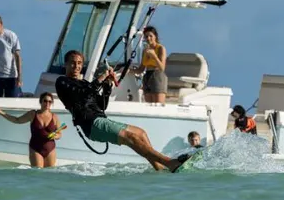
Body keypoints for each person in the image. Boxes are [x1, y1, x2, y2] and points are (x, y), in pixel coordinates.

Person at [54, 49, 188, 172]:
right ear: (66, 64)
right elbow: (83, 92)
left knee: (141, 133)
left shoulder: (84, 83)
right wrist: (101, 78)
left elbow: (102, 105)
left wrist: (107, 85)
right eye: (72, 63)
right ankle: (170, 163)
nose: (76, 66)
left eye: (79, 63)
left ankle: (159, 169)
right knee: (131, 137)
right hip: (91, 124)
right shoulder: (62, 82)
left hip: (99, 119)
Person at [0, 92, 62, 168]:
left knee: (50, 174)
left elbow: (59, 134)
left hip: (50, 149)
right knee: (37, 172)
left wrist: (55, 136)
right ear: (40, 101)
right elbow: (17, 120)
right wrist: (1, 112)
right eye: (45, 101)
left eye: (50, 101)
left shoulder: (54, 117)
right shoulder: (33, 114)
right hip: (36, 148)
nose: (47, 103)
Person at [131, 26, 168, 104]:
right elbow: (141, 69)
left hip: (157, 76)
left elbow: (162, 68)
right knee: (148, 106)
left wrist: (154, 56)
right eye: (146, 36)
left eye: (151, 36)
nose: (148, 38)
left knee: (158, 106)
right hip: (147, 76)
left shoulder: (160, 48)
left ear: (155, 36)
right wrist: (128, 71)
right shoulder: (145, 51)